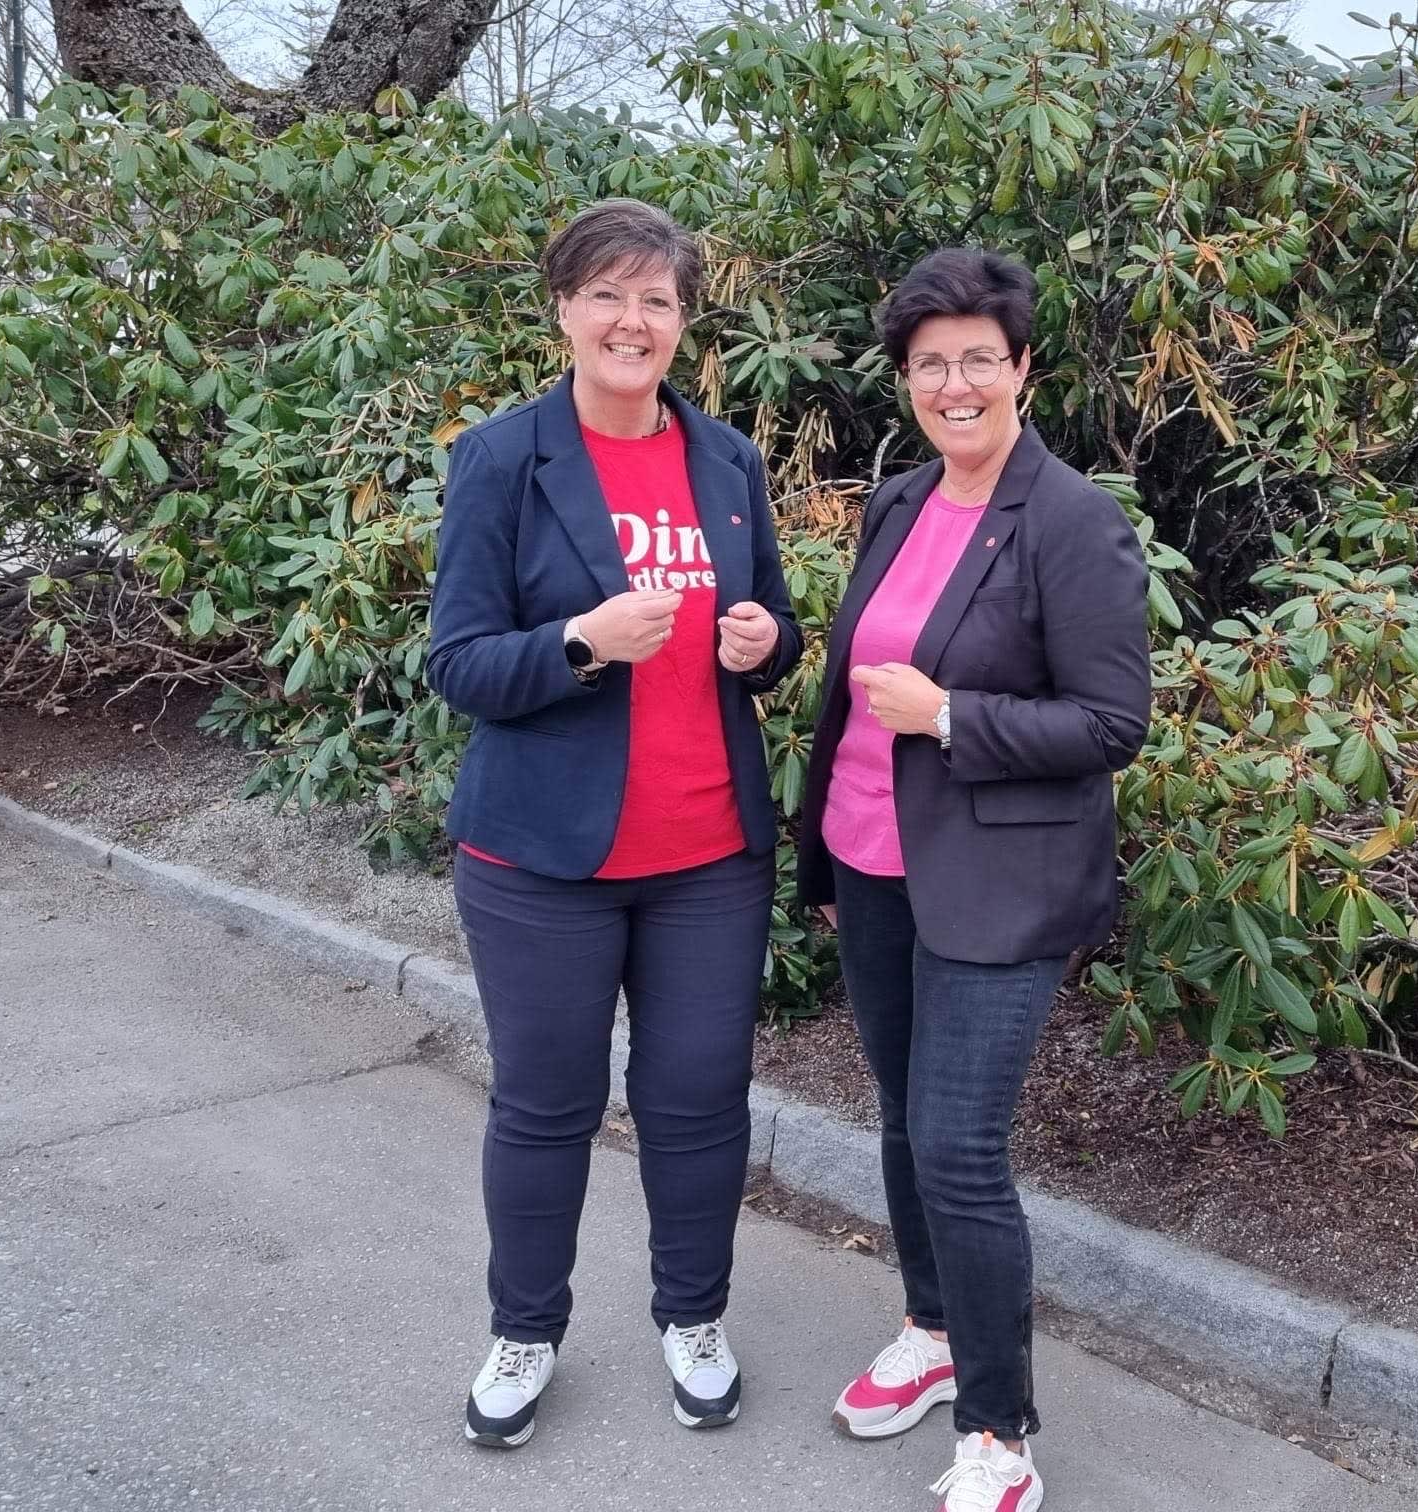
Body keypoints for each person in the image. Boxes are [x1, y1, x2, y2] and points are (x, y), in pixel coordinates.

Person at [425, 199, 800, 1449]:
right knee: (546, 1106)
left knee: (698, 1104)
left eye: (657, 299)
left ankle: (694, 1319)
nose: (632, 321)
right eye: (607, 295)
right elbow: (460, 664)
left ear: (684, 322)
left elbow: (774, 634)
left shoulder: (727, 461)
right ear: (565, 310)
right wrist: (581, 643)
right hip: (543, 858)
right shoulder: (502, 458)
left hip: (708, 856)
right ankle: (525, 1332)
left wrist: (765, 643)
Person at [797, 248, 1150, 1512]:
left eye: (978, 361)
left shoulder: (1071, 520)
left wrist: (950, 714)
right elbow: (852, 695)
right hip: (872, 861)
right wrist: (826, 850)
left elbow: (1111, 723)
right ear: (907, 379)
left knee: (956, 1146)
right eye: (931, 363)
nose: (955, 384)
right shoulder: (899, 502)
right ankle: (933, 1328)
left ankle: (999, 1430)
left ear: (1022, 369)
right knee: (903, 1119)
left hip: (999, 884)